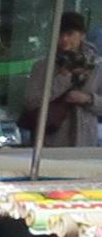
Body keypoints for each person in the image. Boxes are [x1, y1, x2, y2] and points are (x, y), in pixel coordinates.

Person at [29, 11, 99, 148]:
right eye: (60, 34)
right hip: (50, 140)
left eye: (70, 34)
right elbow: (31, 101)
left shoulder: (96, 66)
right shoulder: (43, 67)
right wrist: (63, 77)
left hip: (85, 142)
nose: (64, 39)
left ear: (82, 35)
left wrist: (88, 99)